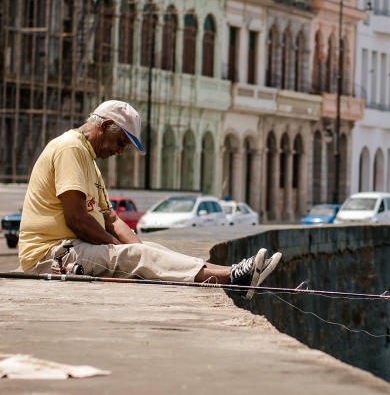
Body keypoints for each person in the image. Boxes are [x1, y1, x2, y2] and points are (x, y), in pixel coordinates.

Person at [17, 100, 280, 289]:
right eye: (121, 142)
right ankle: (232, 277)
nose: (121, 151)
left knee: (148, 250)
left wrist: (136, 248)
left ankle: (233, 273)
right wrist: (121, 249)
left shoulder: (88, 159)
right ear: (106, 125)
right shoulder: (70, 149)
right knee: (138, 256)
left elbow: (111, 218)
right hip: (50, 255)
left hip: (73, 249)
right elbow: (76, 218)